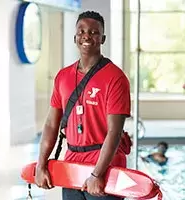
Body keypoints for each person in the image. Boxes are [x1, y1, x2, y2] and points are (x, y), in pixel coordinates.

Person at [34, 11, 131, 200]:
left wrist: (97, 174)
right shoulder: (63, 77)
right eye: (82, 31)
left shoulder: (115, 78)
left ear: (102, 38)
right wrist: (41, 164)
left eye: (94, 32)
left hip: (104, 166)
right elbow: (51, 125)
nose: (87, 36)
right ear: (75, 37)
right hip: (71, 166)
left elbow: (115, 132)